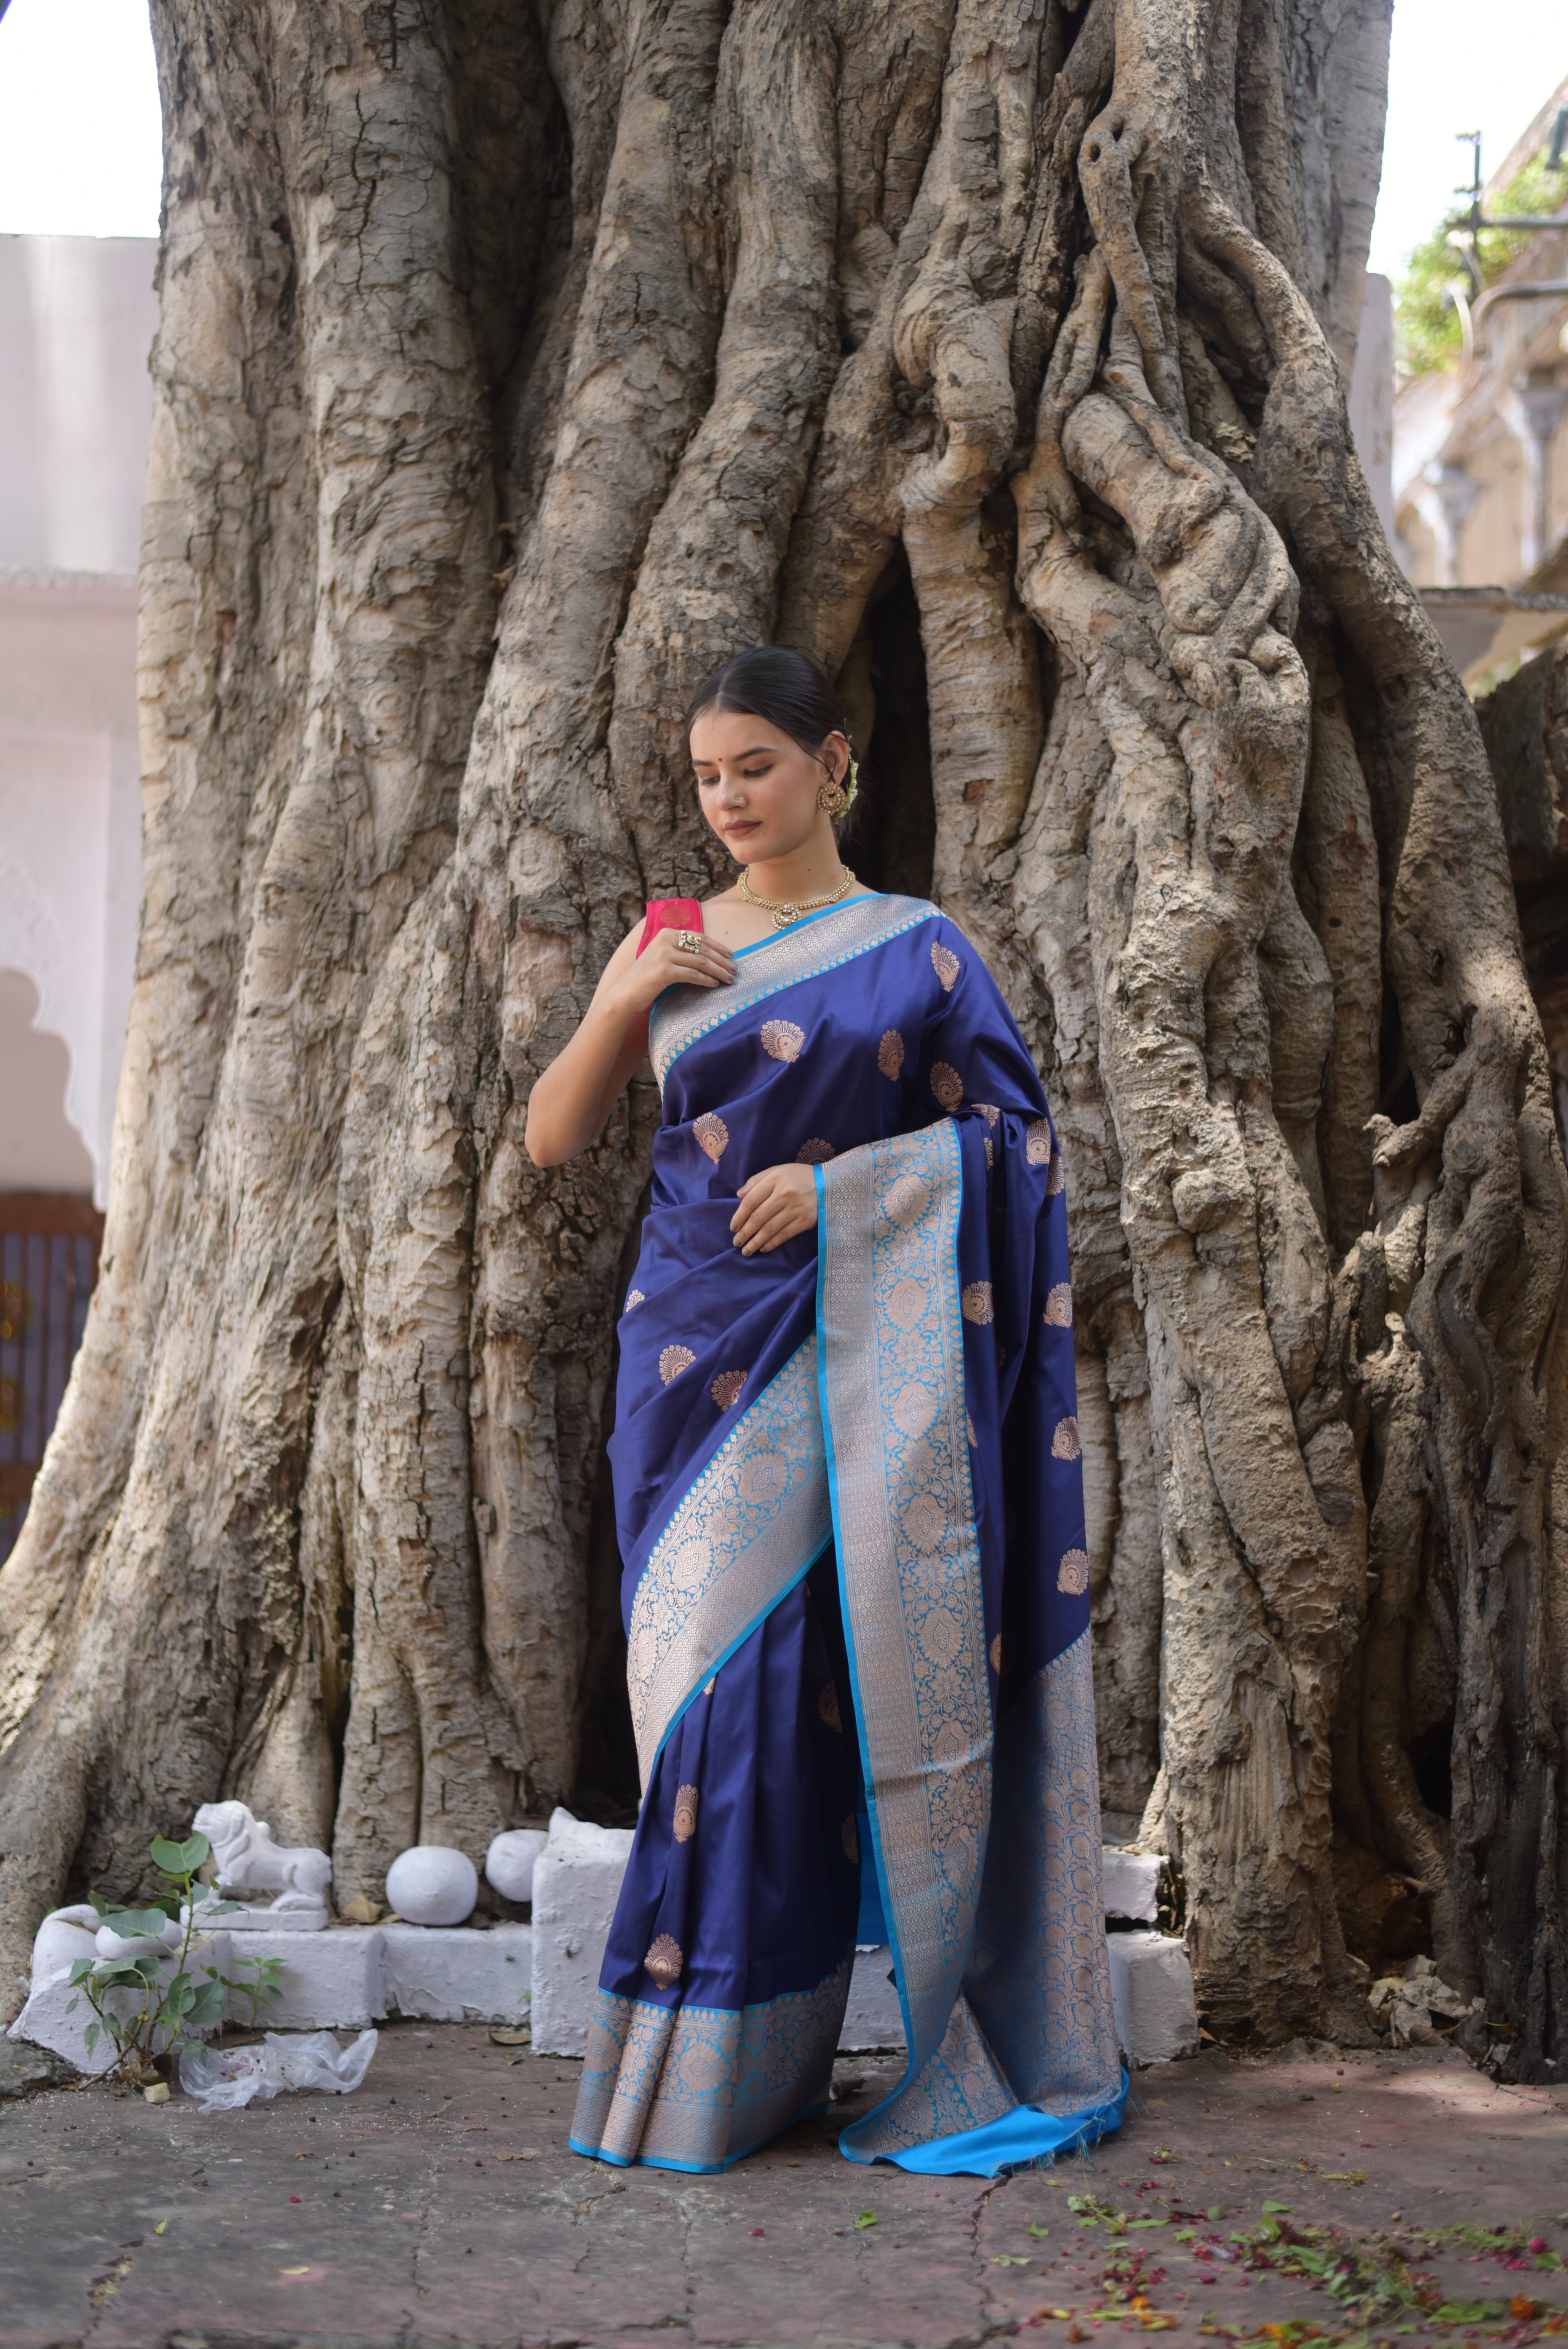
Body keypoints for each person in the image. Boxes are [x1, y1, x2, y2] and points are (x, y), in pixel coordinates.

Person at [526, 645, 1126, 2176]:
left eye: (756, 767)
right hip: (684, 1361)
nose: (729, 799)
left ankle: (737, 2075)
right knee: (701, 1715)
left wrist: (846, 1190)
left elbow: (1018, 1149)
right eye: (708, 775)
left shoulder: (919, 950)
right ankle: (709, 2065)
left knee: (782, 1708)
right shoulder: (669, 936)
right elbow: (551, 1137)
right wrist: (625, 993)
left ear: (832, 762)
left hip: (847, 1355)